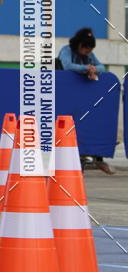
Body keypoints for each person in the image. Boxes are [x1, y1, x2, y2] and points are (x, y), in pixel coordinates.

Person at [58, 28, 113, 174]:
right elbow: (67, 66)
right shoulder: (66, 51)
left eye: (90, 50)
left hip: (83, 98)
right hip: (65, 96)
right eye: (86, 49)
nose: (88, 53)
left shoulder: (90, 55)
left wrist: (93, 68)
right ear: (79, 45)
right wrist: (86, 68)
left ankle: (98, 159)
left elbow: (101, 67)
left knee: (90, 124)